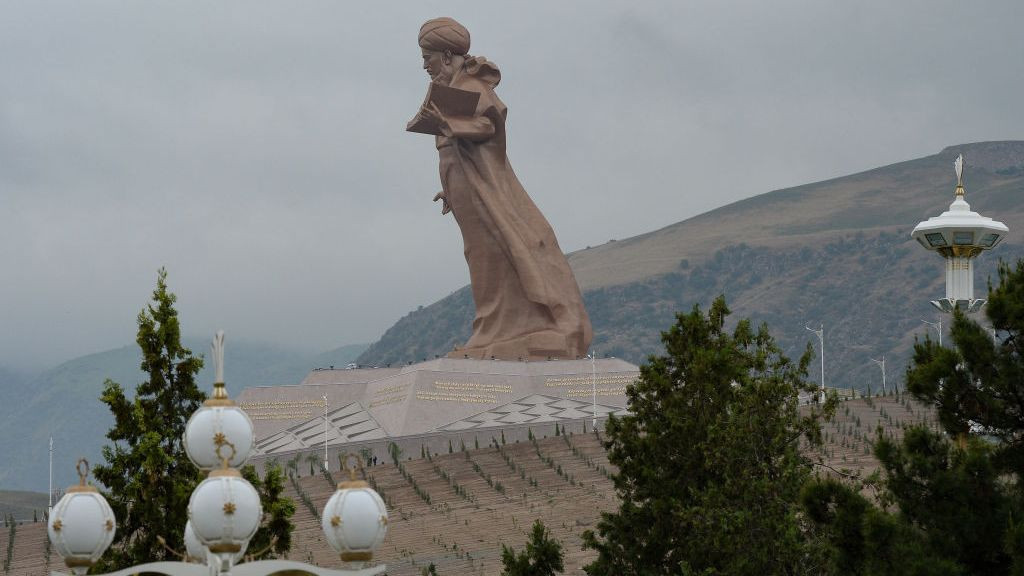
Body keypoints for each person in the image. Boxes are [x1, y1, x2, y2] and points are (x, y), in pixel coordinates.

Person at [409, 17, 592, 361]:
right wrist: (449, 188)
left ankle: (505, 328)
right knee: (478, 255)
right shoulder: (454, 86)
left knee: (494, 254)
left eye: (428, 57)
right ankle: (492, 328)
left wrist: (449, 124)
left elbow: (489, 125)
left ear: (447, 56)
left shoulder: (472, 85)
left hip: (482, 188)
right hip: (463, 184)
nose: (425, 65)